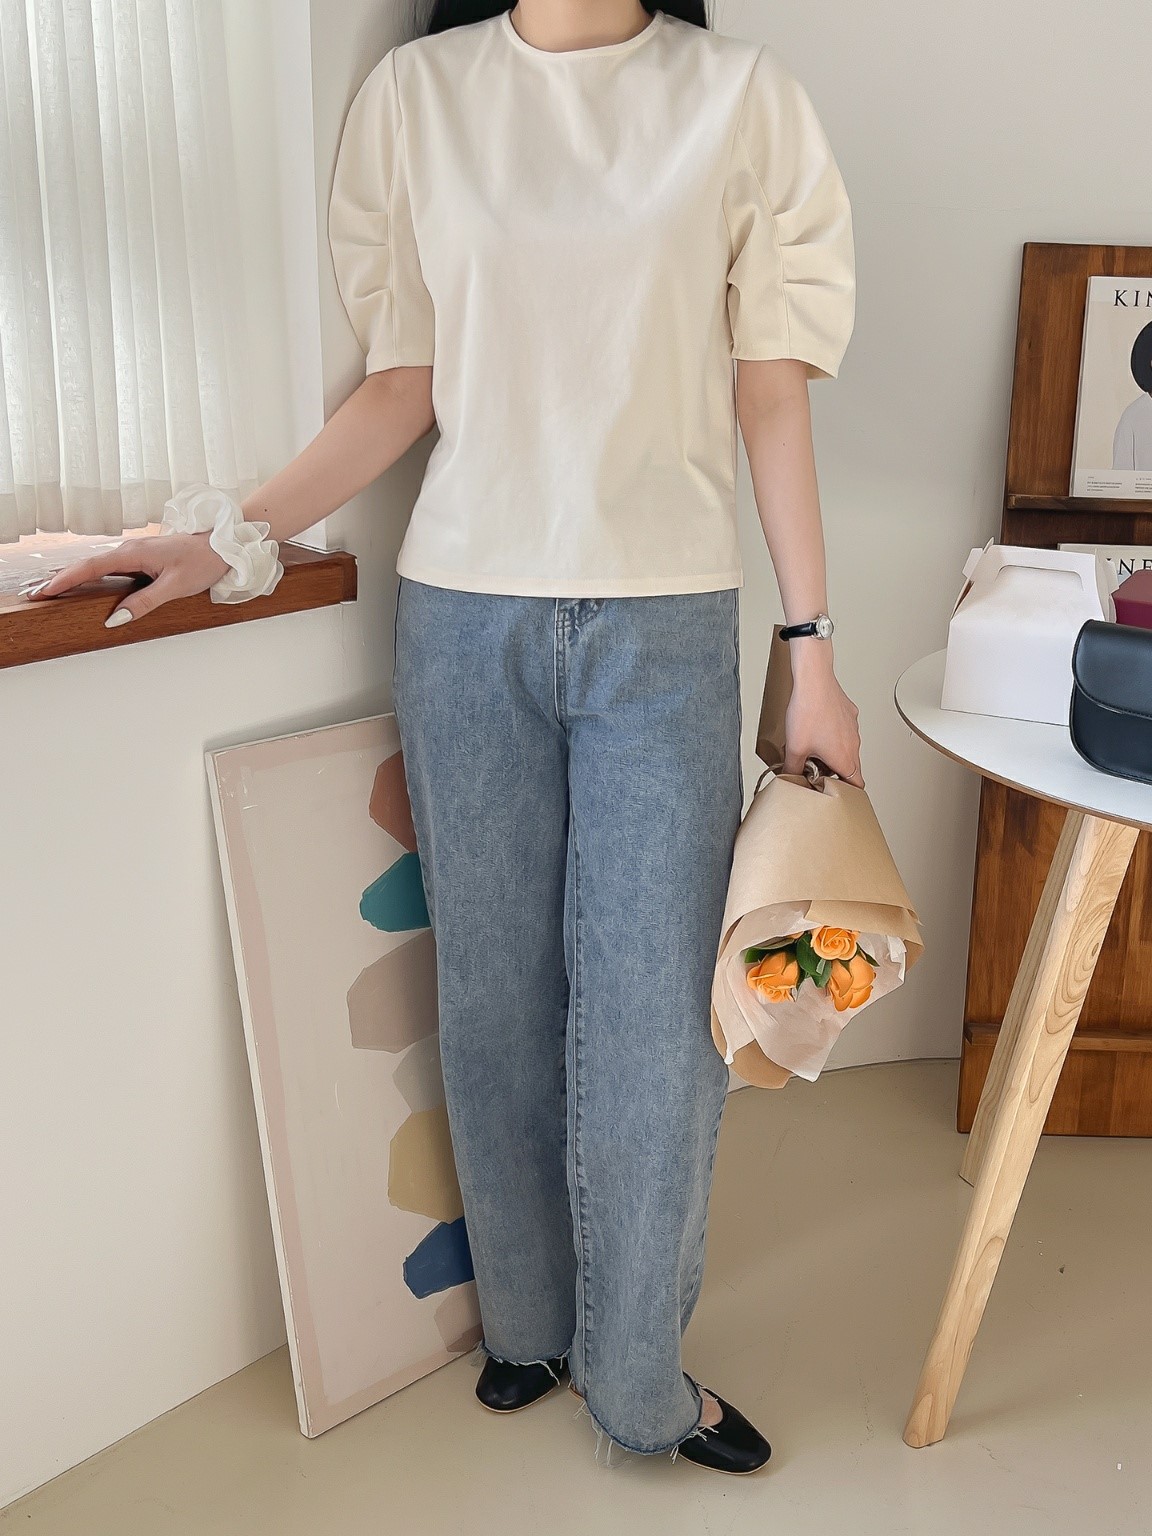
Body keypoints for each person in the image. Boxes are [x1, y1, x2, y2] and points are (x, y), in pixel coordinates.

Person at [28, 0, 864, 1476]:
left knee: (652, 1018)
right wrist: (225, 536)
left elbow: (769, 391)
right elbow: (402, 386)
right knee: (493, 995)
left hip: (664, 627)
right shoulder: (418, 96)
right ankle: (527, 1324)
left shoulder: (740, 97)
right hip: (463, 621)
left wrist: (813, 651)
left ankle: (637, 1377)